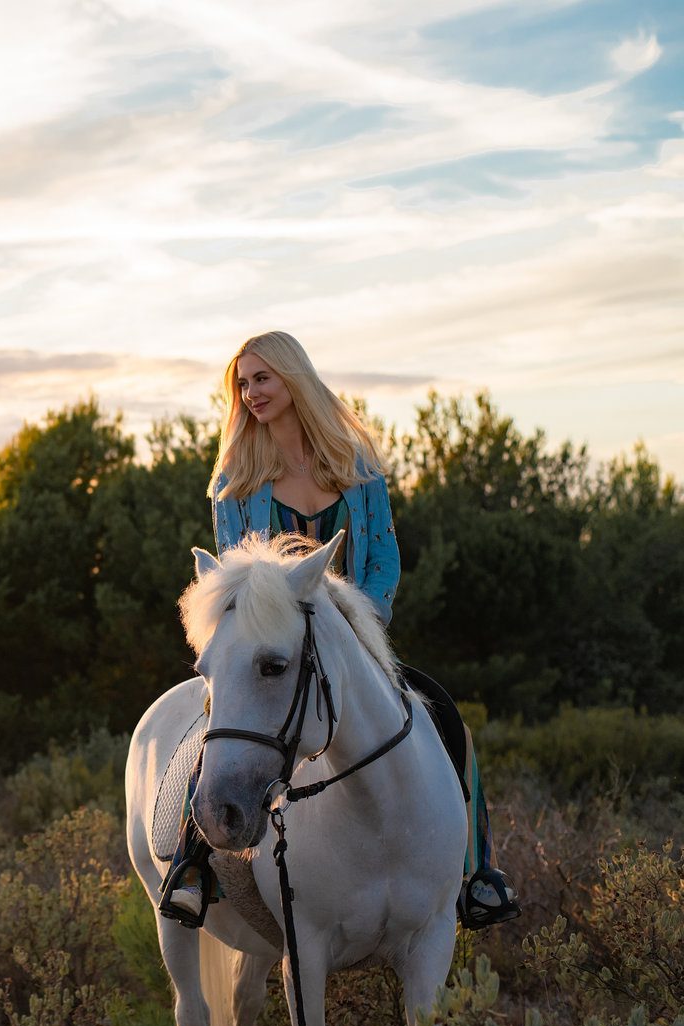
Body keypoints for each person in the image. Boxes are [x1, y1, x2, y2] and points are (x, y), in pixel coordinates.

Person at [160, 330, 519, 930]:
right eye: (242, 384)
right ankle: (193, 866)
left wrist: (358, 627)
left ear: (293, 377)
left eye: (262, 379)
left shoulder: (358, 470)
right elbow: (238, 582)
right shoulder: (234, 485)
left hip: (351, 644)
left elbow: (383, 560)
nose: (251, 394)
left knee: (447, 719)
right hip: (274, 649)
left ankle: (476, 874)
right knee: (218, 728)